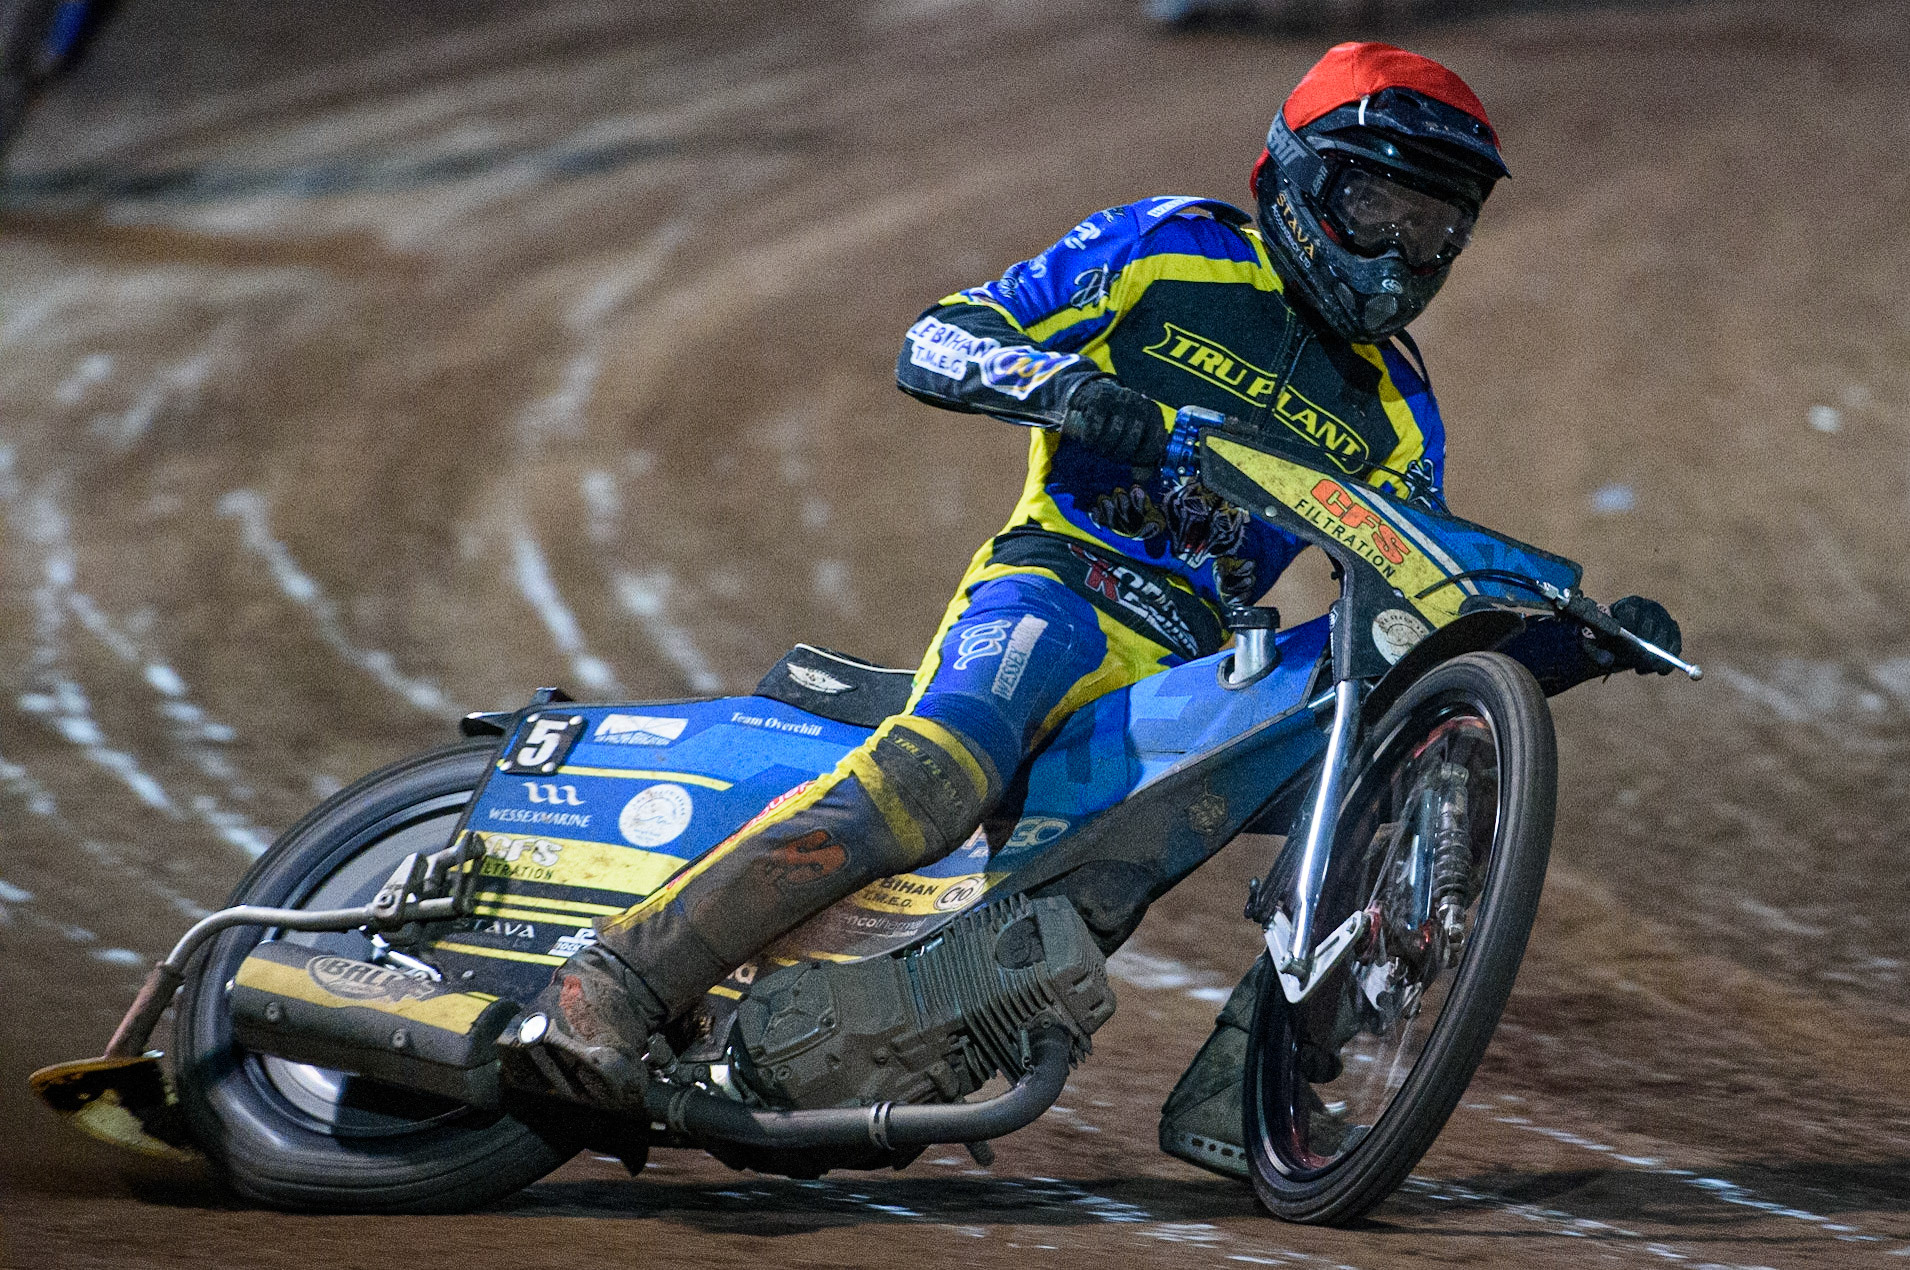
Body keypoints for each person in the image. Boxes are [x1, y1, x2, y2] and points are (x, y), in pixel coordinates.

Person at [500, 41, 1682, 1179]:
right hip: (1057, 583)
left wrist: (1551, 641)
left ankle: (1243, 1089)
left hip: (1195, 664)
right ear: (1299, 176)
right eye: (1380, 208)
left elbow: (1404, 598)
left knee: (1384, 763)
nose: (1402, 250)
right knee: (938, 775)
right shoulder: (1171, 247)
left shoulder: (1401, 409)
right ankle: (608, 982)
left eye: (1434, 226)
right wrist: (1064, 387)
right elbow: (939, 335)